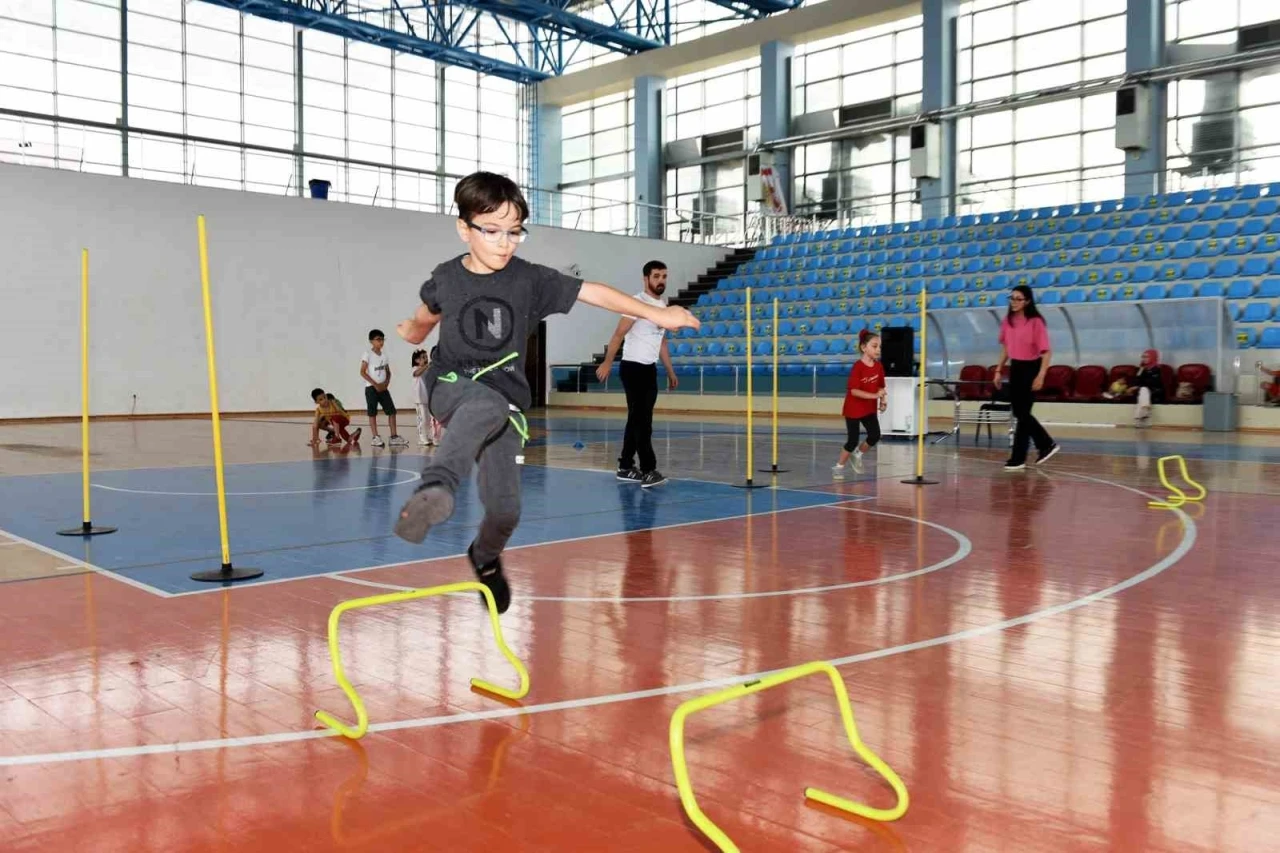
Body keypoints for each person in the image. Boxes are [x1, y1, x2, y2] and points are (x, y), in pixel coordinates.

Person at [393, 171, 699, 614]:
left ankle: (485, 558)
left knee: (506, 510)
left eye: (515, 232)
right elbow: (426, 314)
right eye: (492, 231)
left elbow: (594, 292)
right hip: (451, 384)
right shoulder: (446, 277)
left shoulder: (529, 279)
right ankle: (435, 488)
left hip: (506, 402)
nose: (505, 243)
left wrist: (659, 314)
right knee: (482, 404)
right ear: (464, 228)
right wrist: (413, 331)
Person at [595, 260, 678, 488]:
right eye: (656, 276)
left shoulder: (663, 306)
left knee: (636, 419)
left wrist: (670, 371)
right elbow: (617, 335)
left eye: (664, 276)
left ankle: (625, 466)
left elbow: (662, 342)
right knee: (643, 421)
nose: (661, 281)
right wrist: (607, 362)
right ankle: (648, 470)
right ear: (646, 279)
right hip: (632, 368)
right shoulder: (636, 303)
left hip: (649, 369)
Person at [993, 285, 1060, 470]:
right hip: (1016, 367)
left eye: (1018, 299)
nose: (1014, 302)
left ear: (1027, 301)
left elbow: (1046, 352)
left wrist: (1041, 376)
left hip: (1031, 368)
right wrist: (998, 369)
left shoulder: (1036, 322)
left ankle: (1045, 444)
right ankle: (1019, 457)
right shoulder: (1008, 321)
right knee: (1021, 414)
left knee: (1022, 413)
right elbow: (1006, 348)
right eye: (1012, 298)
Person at [833, 329, 887, 479]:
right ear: (864, 347)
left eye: (880, 347)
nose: (878, 350)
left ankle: (857, 454)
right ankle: (839, 467)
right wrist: (875, 396)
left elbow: (881, 386)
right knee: (852, 440)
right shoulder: (858, 367)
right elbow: (854, 391)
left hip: (869, 408)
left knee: (875, 435)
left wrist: (883, 400)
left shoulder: (878, 367)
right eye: (874, 346)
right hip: (854, 409)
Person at [361, 329, 406, 448]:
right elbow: (362, 372)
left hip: (383, 388)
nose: (381, 342)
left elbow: (388, 372)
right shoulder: (367, 354)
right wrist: (375, 384)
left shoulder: (384, 356)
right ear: (371, 341)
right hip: (371, 388)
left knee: (392, 411)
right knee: (372, 413)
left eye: (382, 339)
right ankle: (375, 437)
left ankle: (394, 437)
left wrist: (386, 383)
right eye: (378, 339)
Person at [411, 349, 443, 446]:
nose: (426, 359)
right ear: (417, 360)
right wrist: (427, 366)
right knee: (423, 419)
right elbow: (416, 373)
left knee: (428, 420)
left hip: (428, 398)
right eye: (423, 357)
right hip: (419, 399)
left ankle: (428, 436)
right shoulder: (415, 368)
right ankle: (422, 438)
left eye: (426, 357)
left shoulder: (427, 369)